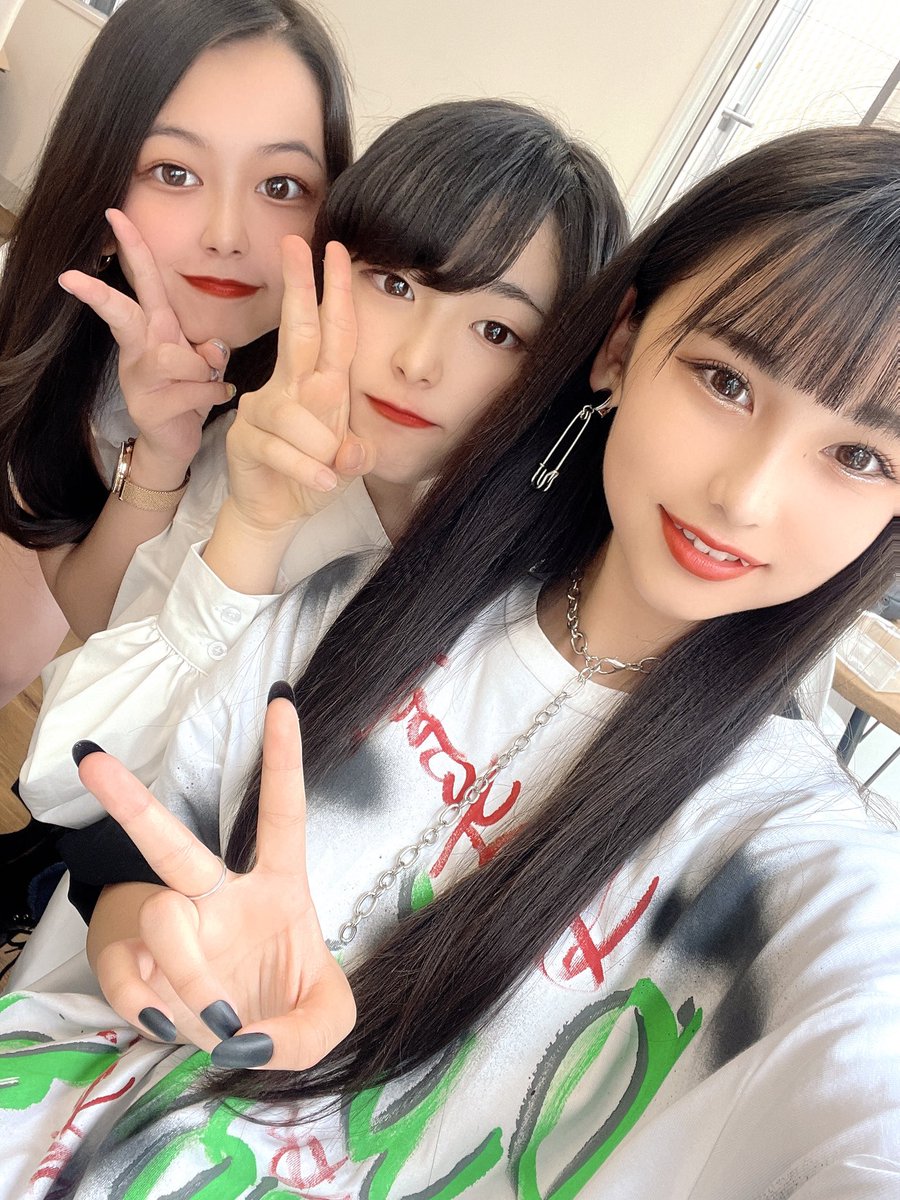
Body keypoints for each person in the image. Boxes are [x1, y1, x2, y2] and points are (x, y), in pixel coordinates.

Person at [3, 124, 899, 1197]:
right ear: (618, 347)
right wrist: (154, 944)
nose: (746, 497)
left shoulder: (803, 857)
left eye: (859, 455)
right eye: (726, 381)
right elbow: (119, 823)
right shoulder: (367, 594)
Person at [19, 98, 626, 829]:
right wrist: (249, 536)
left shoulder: (553, 603)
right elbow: (64, 781)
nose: (418, 362)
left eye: (496, 331)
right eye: (396, 286)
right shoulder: (260, 449)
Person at [0, 0, 352, 707]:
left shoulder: (306, 426)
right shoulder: (41, 313)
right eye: (174, 172)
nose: (226, 234)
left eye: (281, 186)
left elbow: (102, 618)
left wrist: (164, 450)